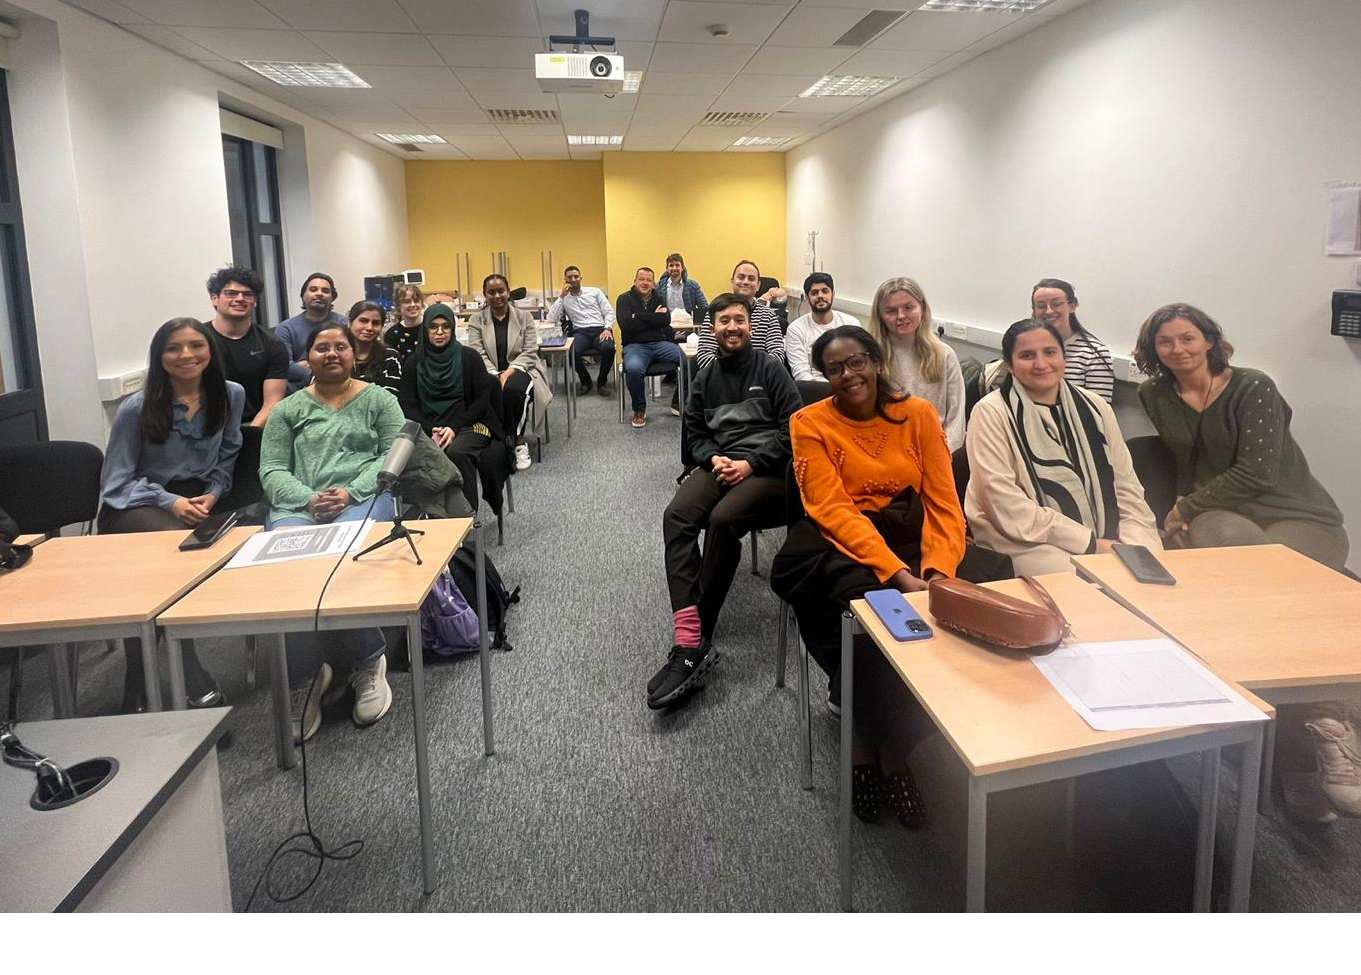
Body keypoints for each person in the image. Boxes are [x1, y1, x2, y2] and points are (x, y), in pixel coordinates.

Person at [1134, 302, 1356, 823]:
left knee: (1282, 599)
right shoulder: (1155, 394)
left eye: (1188, 338)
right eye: (1165, 342)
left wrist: (1182, 509)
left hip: (1297, 512)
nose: (1178, 349)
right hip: (1221, 513)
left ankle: (1321, 730)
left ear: (1210, 340)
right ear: (1153, 351)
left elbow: (1258, 471)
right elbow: (1186, 459)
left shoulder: (1254, 386)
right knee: (1261, 601)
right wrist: (1188, 506)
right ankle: (1314, 746)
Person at [771, 325, 969, 829]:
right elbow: (832, 509)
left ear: (876, 361)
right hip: (839, 540)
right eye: (834, 368)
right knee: (867, 621)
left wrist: (938, 572)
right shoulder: (809, 422)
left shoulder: (918, 414)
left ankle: (891, 744)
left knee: (957, 621)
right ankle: (872, 748)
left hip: (912, 533)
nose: (848, 374)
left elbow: (943, 502)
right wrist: (899, 576)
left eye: (857, 361)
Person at [647, 294, 801, 711]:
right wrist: (713, 458)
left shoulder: (770, 369)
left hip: (769, 471)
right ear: (711, 328)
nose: (732, 327)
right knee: (677, 515)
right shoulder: (706, 377)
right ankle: (690, 637)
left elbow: (795, 428)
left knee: (722, 520)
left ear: (751, 326)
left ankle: (696, 640)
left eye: (739, 320)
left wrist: (752, 464)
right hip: (721, 465)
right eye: (723, 321)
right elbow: (695, 435)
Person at [259, 322, 403, 742]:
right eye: (322, 348)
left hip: (365, 497)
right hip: (299, 506)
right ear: (307, 359)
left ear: (354, 354)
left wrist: (350, 492)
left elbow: (394, 455)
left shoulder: (380, 400)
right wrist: (308, 500)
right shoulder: (287, 410)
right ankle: (306, 674)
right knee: (289, 568)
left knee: (344, 557)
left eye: (341, 346)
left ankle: (368, 659)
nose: (332, 354)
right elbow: (272, 469)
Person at [99, 318, 244, 712]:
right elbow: (115, 484)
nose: (186, 355)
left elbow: (228, 457)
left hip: (197, 504)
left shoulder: (230, 394)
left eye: (196, 345)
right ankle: (190, 673)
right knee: (173, 557)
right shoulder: (136, 407)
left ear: (210, 350)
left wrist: (213, 494)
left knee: (166, 569)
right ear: (159, 357)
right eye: (173, 348)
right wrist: (169, 502)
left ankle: (138, 683)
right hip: (135, 507)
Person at [965, 319, 1160, 575]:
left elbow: (1125, 485)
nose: (1041, 364)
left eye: (1050, 352)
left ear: (1063, 357)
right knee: (1088, 582)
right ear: (1010, 365)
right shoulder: (991, 412)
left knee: (1149, 570)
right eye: (1027, 355)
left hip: (1104, 534)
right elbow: (1003, 503)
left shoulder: (1095, 407)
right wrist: (1090, 543)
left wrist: (1137, 541)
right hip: (1025, 537)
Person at [397, 302, 510, 515]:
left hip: (470, 423)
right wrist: (431, 429)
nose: (440, 332)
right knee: (420, 458)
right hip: (429, 427)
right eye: (433, 327)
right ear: (425, 330)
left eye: (446, 326)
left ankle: (467, 519)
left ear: (452, 328)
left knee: (457, 453)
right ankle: (435, 516)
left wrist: (454, 427)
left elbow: (481, 401)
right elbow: (408, 405)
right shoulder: (414, 363)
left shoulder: (469, 357)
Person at [864, 276, 965, 450]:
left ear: (922, 309)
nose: (901, 316)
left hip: (934, 447)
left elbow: (956, 421)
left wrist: (940, 455)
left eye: (909, 307)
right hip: (885, 447)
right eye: (891, 311)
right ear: (880, 316)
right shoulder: (870, 356)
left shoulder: (944, 355)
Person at [466, 273, 552, 471]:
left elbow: (530, 351)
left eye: (501, 291)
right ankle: (499, 440)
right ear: (485, 294)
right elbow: (477, 352)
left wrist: (507, 373)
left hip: (523, 369)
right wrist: (494, 374)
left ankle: (518, 441)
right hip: (488, 372)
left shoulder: (524, 317)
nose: (497, 296)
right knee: (487, 391)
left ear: (508, 292)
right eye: (491, 292)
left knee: (513, 390)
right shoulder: (476, 320)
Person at [204, 265, 288, 427]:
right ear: (214, 298)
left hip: (253, 426)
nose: (240, 298)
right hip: (205, 429)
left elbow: (272, 404)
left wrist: (249, 435)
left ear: (255, 302)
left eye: (248, 294)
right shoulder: (197, 341)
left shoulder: (273, 345)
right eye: (231, 293)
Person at [616, 266, 683, 428]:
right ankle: (639, 409)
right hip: (635, 346)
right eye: (641, 279)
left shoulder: (658, 298)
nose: (645, 283)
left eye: (649, 280)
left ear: (653, 283)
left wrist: (638, 316)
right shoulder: (624, 299)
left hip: (660, 344)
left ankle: (677, 402)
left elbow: (665, 320)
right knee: (634, 369)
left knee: (689, 359)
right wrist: (654, 318)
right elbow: (626, 325)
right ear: (635, 281)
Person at [694, 260, 786, 370]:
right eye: (741, 277)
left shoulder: (769, 316)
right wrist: (735, 374)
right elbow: (704, 356)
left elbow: (777, 355)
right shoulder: (716, 311)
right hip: (720, 378)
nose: (746, 282)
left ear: (758, 285)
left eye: (751, 278)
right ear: (733, 281)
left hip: (760, 378)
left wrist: (750, 374)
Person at [545, 265, 615, 397]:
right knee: (571, 352)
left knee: (609, 349)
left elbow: (609, 312)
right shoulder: (564, 298)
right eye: (570, 277)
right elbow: (551, 318)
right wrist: (561, 297)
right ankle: (586, 381)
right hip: (580, 332)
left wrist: (607, 328)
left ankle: (601, 382)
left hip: (600, 329)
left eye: (576, 277)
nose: (573, 280)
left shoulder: (595, 292)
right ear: (565, 280)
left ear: (580, 278)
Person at [786, 271, 862, 383]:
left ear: (833, 294)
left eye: (825, 291)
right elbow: (801, 373)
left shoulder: (851, 323)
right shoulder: (796, 329)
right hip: (815, 387)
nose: (820, 296)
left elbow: (858, 363)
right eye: (814, 293)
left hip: (847, 383)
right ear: (807, 298)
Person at [275, 272, 347, 391]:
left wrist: (308, 365)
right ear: (303, 295)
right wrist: (320, 372)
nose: (319, 294)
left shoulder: (344, 324)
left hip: (340, 386)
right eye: (313, 290)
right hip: (298, 390)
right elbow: (284, 367)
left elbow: (349, 360)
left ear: (332, 297)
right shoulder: (286, 328)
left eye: (325, 291)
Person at [347, 300, 403, 395]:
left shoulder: (391, 357)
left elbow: (388, 398)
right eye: (363, 321)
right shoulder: (338, 356)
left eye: (376, 323)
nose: (369, 327)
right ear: (350, 322)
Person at [386, 282, 425, 365]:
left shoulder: (431, 327)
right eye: (407, 301)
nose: (413, 305)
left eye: (416, 301)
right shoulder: (392, 335)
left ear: (422, 303)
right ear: (398, 305)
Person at [660, 252, 707, 321]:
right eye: (671, 265)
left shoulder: (693, 286)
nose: (674, 268)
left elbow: (704, 307)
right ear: (667, 269)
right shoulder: (659, 287)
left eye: (677, 265)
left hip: (688, 325)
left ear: (682, 268)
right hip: (666, 324)